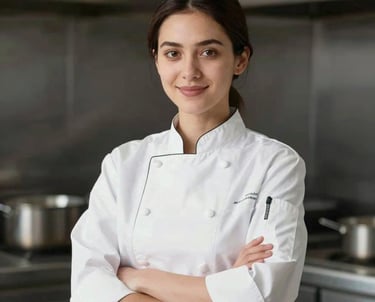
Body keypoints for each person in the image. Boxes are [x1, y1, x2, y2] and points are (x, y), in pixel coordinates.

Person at [70, 0, 307, 301]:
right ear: (156, 60)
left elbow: (263, 291)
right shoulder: (123, 163)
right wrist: (221, 286)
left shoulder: (276, 163)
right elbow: (87, 284)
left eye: (208, 52)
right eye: (173, 53)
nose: (189, 71)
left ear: (240, 60)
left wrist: (137, 278)